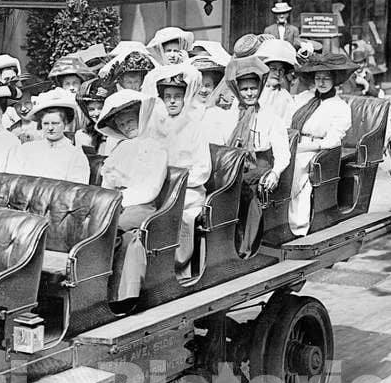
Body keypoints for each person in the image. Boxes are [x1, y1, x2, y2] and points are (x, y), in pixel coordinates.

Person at [97, 90, 168, 303]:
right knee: (94, 223)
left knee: (113, 227)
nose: (127, 127)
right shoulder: (120, 149)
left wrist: (120, 201)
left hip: (142, 205)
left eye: (130, 121)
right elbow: (107, 182)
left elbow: (150, 188)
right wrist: (107, 201)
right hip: (117, 203)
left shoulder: (156, 147)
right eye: (122, 124)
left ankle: (117, 290)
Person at [142, 64, 212, 278]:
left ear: (185, 99)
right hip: (158, 187)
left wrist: (179, 183)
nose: (172, 101)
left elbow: (203, 169)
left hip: (188, 192)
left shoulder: (195, 127)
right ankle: (149, 269)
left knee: (180, 215)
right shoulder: (155, 127)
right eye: (168, 96)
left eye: (177, 96)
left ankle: (178, 270)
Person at [224, 55, 291, 256]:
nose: (249, 93)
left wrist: (275, 173)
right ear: (237, 90)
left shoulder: (269, 116)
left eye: (253, 88)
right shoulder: (228, 114)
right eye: (244, 89)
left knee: (245, 190)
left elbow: (282, 152)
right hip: (232, 166)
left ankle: (245, 247)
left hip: (258, 168)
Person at [287, 53, 355, 238]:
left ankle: (298, 228)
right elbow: (286, 121)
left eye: (326, 78)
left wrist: (306, 146)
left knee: (295, 170)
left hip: (316, 152)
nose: (321, 82)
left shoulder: (340, 107)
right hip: (292, 144)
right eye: (318, 78)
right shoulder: (304, 98)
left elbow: (332, 140)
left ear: (335, 80)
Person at [6, 89, 91, 184]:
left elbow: (77, 190)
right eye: (46, 123)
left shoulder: (75, 154)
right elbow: (13, 180)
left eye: (55, 123)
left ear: (65, 123)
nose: (50, 128)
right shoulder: (27, 149)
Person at [190, 49, 237, 146]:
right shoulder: (185, 112)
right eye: (199, 86)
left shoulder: (221, 114)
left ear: (214, 87)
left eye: (207, 86)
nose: (203, 90)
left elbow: (229, 141)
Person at [257, 38, 299, 126]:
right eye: (273, 69)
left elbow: (286, 124)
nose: (277, 73)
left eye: (281, 70)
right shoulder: (253, 91)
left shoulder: (285, 97)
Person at [75, 77, 112, 153]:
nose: (96, 113)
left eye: (101, 108)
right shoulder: (83, 135)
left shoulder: (120, 132)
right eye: (91, 109)